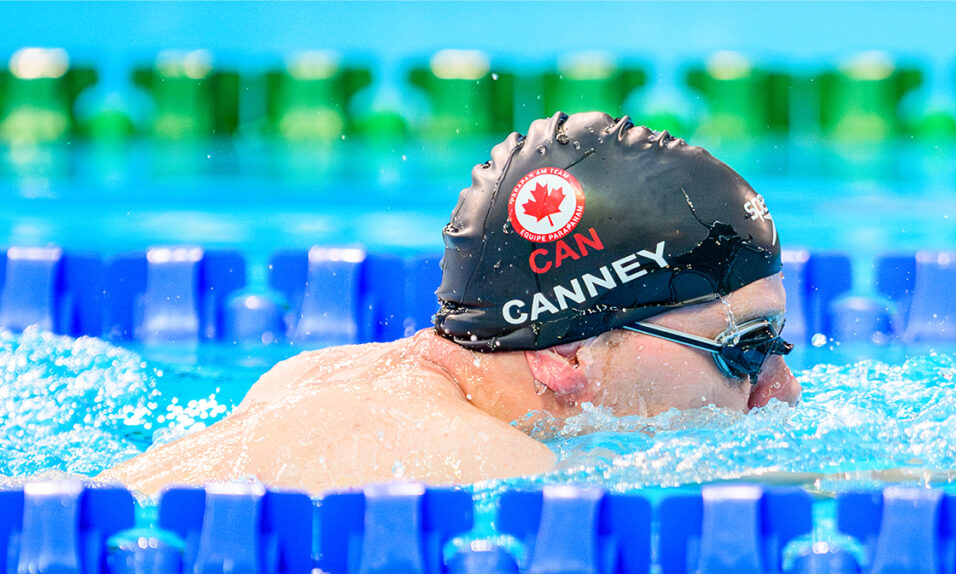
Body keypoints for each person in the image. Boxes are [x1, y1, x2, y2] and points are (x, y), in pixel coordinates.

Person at [100, 112, 801, 495]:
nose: (781, 395)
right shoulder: (470, 465)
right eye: (744, 350)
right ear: (565, 351)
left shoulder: (323, 375)